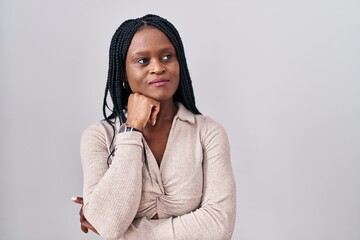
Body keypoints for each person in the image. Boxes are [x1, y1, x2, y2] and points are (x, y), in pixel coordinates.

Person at [72, 14, 236, 240]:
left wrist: (122, 231)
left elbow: (219, 226)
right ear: (123, 73)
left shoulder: (207, 132)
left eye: (167, 56)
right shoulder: (99, 136)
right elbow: (108, 223)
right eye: (143, 61)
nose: (158, 68)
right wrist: (132, 129)